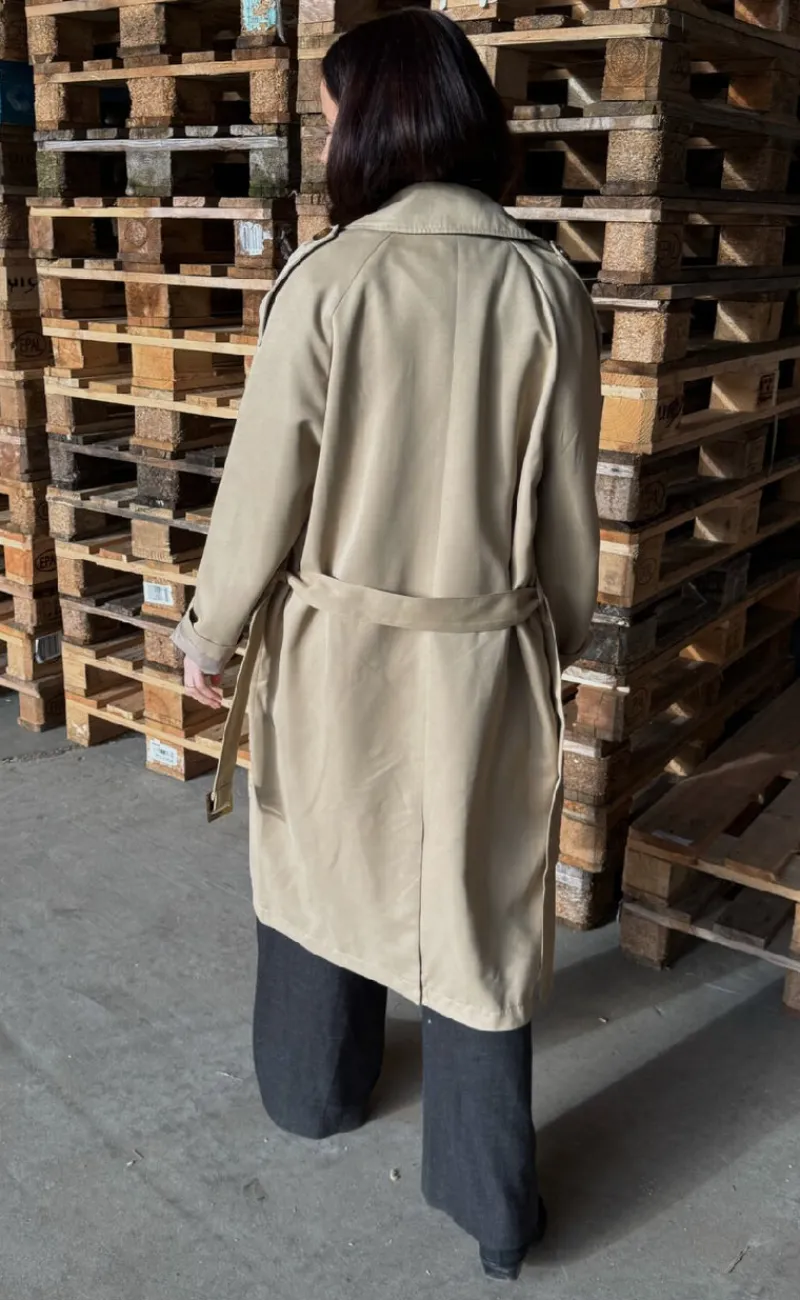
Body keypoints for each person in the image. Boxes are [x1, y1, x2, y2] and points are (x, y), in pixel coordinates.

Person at [174, 7, 600, 1282]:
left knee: (319, 865)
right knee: (476, 918)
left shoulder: (326, 279)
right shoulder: (546, 286)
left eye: (329, 117)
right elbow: (564, 528)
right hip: (482, 657)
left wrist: (210, 632)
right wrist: (544, 643)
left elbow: (261, 495)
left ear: (374, 123)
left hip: (335, 653)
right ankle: (490, 1205)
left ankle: (313, 1088)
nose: (324, 141)